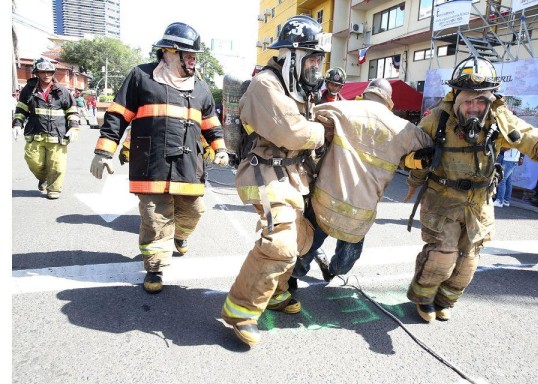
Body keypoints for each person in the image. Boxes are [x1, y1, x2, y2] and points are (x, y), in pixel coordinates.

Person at [403, 56, 538, 323]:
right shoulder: (437, 119)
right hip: (442, 201)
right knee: (442, 256)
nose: (474, 107)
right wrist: (414, 160)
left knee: (468, 261)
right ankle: (424, 299)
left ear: (490, 100)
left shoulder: (499, 119)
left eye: (480, 101)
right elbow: (405, 149)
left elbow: (535, 139)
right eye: (468, 100)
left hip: (478, 204)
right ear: (456, 97)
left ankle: (446, 299)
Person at [89, 22, 229, 294]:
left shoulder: (200, 87)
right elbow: (117, 115)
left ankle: (180, 236)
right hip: (151, 163)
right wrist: (104, 151)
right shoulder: (141, 77)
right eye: (186, 54)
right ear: (167, 52)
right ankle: (155, 267)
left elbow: (211, 122)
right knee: (155, 217)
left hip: (189, 165)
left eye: (194, 55)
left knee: (195, 210)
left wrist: (220, 148)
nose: (192, 60)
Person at [221, 15, 330, 346]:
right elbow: (293, 132)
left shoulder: (296, 87)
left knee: (298, 240)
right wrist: (322, 131)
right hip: (260, 175)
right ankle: (241, 309)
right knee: (280, 241)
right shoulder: (265, 85)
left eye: (318, 59)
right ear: (292, 55)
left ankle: (277, 292)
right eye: (311, 58)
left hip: (289, 177)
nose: (315, 66)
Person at [291, 79, 434, 286]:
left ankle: (293, 276)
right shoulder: (403, 128)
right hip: (360, 211)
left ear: (365, 94)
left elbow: (311, 114)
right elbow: (428, 147)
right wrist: (403, 158)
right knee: (344, 263)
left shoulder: (345, 108)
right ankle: (332, 270)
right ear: (389, 101)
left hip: (325, 200)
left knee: (306, 244)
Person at [12, 57, 80, 199]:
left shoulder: (62, 91)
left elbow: (72, 111)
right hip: (35, 133)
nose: (46, 75)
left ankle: (54, 188)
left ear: (53, 73)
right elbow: (21, 109)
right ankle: (44, 178)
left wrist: (73, 127)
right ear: (37, 73)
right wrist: (17, 124)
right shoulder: (29, 90)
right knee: (33, 161)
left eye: (49, 72)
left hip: (57, 135)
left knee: (57, 165)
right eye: (43, 72)